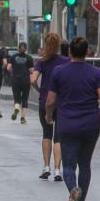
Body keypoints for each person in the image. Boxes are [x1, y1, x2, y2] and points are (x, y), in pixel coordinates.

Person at [44, 37, 100, 201]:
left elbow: (51, 100)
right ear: (87, 52)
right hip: (91, 123)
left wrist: (48, 115)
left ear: (69, 52)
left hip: (67, 123)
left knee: (68, 165)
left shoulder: (59, 71)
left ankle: (74, 192)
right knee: (85, 164)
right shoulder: (95, 73)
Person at [32, 33, 68, 181]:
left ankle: (46, 167)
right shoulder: (66, 61)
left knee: (46, 134)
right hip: (62, 101)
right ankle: (57, 169)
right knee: (58, 137)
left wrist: (40, 90)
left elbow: (33, 79)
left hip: (45, 100)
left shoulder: (41, 62)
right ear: (59, 44)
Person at [6, 43, 33, 124]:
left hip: (15, 80)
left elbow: (8, 68)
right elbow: (31, 70)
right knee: (25, 99)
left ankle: (17, 108)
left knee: (17, 98)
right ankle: (23, 118)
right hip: (25, 80)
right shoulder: (29, 57)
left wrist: (13, 72)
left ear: (18, 48)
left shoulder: (14, 57)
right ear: (26, 49)